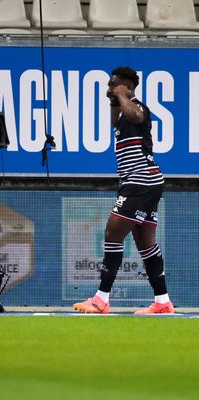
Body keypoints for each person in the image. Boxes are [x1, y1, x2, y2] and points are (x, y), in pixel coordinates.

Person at [73, 67, 174, 315]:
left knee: (112, 232)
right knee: (145, 242)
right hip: (144, 183)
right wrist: (114, 98)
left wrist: (122, 95)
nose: (108, 89)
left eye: (113, 85)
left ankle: (100, 300)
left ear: (128, 87)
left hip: (141, 182)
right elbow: (116, 120)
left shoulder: (137, 107)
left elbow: (136, 116)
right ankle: (163, 302)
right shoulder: (121, 113)